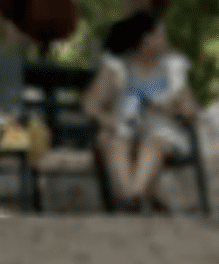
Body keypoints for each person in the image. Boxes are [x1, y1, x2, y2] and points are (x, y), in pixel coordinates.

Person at [83, 9, 197, 213]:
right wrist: (108, 120)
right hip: (126, 127)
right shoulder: (119, 66)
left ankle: (132, 196)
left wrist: (168, 108)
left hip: (162, 130)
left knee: (152, 143)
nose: (166, 39)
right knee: (113, 141)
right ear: (146, 40)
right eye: (161, 34)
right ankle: (134, 199)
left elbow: (190, 110)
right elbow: (91, 104)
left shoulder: (172, 68)